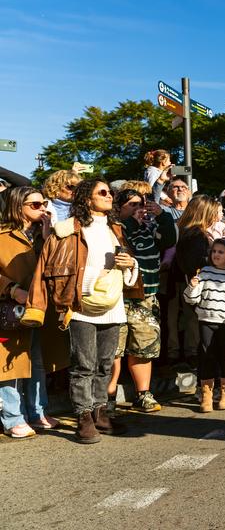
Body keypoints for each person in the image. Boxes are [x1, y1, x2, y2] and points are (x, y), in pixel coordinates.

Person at [24, 179, 140, 444]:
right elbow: (48, 268)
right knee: (83, 365)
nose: (109, 195)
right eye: (103, 192)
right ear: (87, 199)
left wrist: (130, 263)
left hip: (112, 304)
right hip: (80, 306)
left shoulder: (116, 229)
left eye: (110, 192)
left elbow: (132, 271)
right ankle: (84, 417)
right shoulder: (66, 230)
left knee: (105, 363)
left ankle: (101, 412)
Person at [0, 188, 67, 438]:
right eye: (36, 204)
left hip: (40, 308)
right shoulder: (2, 235)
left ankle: (38, 412)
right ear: (18, 207)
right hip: (10, 308)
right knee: (10, 366)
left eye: (44, 203)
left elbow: (57, 266)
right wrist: (12, 288)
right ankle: (12, 417)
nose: (43, 208)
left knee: (38, 360)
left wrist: (49, 236)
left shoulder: (45, 235)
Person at [107, 189, 177, 413]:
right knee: (114, 350)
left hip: (146, 297)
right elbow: (129, 249)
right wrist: (133, 224)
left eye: (142, 205)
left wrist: (162, 215)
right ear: (119, 207)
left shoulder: (149, 227)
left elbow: (169, 240)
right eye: (133, 205)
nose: (139, 209)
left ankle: (143, 394)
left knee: (144, 347)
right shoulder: (115, 229)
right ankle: (108, 397)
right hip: (119, 296)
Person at [183, 238, 225, 412]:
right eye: (214, 251)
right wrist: (192, 286)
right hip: (206, 319)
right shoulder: (205, 272)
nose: (216, 255)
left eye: (221, 252)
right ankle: (206, 396)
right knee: (206, 356)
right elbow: (191, 299)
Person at [172, 194, 224, 364]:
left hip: (184, 282)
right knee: (194, 321)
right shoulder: (196, 234)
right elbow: (197, 262)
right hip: (195, 284)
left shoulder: (186, 229)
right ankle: (194, 354)